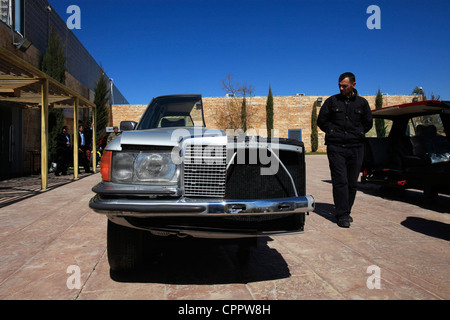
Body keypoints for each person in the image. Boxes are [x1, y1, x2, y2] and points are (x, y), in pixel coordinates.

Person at [317, 72, 373, 228]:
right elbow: (321, 121)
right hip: (336, 147)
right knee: (340, 181)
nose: (341, 88)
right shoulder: (332, 102)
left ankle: (346, 210)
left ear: (353, 85)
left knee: (351, 183)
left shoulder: (362, 103)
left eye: (345, 86)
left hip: (356, 147)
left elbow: (368, 123)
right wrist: (333, 131)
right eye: (339, 85)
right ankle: (342, 215)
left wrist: (357, 133)